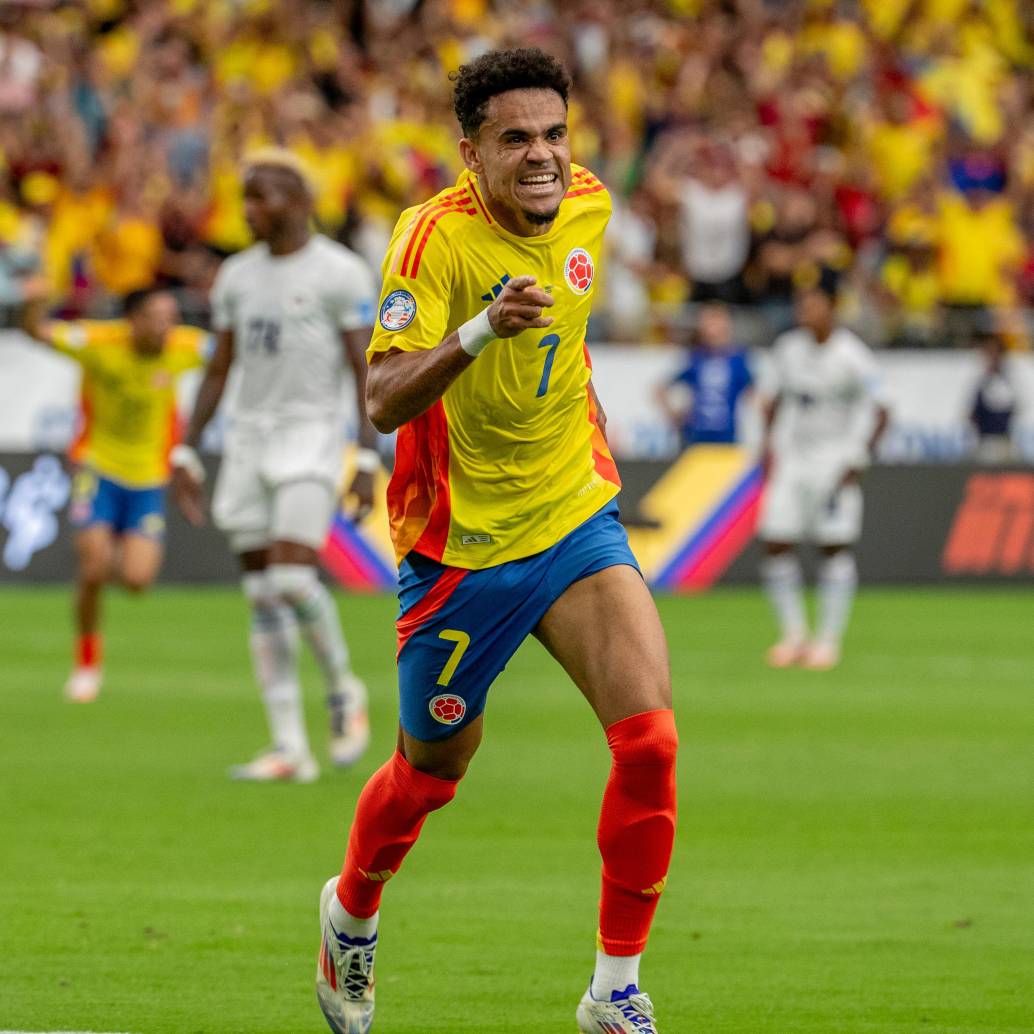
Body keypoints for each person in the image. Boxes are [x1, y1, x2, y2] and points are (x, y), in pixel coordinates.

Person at [314, 49, 678, 1034]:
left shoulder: (590, 208)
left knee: (648, 740)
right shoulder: (429, 240)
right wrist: (478, 332)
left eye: (554, 134)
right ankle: (350, 908)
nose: (542, 157)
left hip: (571, 517)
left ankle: (614, 986)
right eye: (515, 139)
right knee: (430, 771)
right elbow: (383, 397)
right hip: (461, 552)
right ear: (467, 150)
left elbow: (574, 342)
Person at [172, 150, 379, 783]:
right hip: (248, 441)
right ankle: (289, 746)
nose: (248, 212)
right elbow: (220, 364)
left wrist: (368, 454)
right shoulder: (235, 275)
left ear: (295, 202)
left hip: (312, 437)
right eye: (245, 200)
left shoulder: (340, 273)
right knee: (261, 594)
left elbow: (362, 369)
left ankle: (345, 689)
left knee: (291, 582)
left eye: (259, 199)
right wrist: (187, 446)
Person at [20, 285, 208, 701]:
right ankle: (87, 661)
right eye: (158, 318)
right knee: (93, 569)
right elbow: (36, 332)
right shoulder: (97, 342)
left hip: (148, 478)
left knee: (137, 580)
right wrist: (34, 299)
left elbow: (231, 351)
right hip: (97, 467)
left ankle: (118, 540)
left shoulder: (184, 347)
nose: (167, 327)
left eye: (171, 318)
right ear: (133, 320)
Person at [757, 280, 890, 671]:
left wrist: (860, 457)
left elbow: (883, 409)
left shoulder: (853, 356)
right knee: (776, 542)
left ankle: (827, 641)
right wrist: (767, 447)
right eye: (801, 301)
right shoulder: (788, 349)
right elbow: (772, 399)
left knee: (833, 546)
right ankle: (794, 636)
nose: (803, 309)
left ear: (832, 306)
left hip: (835, 460)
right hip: (793, 459)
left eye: (812, 302)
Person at [657, 301, 754, 447]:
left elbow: (754, 393)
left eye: (714, 321)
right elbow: (661, 389)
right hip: (696, 440)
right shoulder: (696, 358)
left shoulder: (738, 359)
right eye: (705, 322)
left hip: (728, 440)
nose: (709, 328)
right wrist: (675, 415)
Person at [968, 331, 1018, 463]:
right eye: (987, 353)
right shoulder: (982, 380)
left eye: (993, 353)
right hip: (984, 441)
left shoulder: (1006, 380)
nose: (990, 357)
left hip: (1000, 442)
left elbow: (1007, 408)